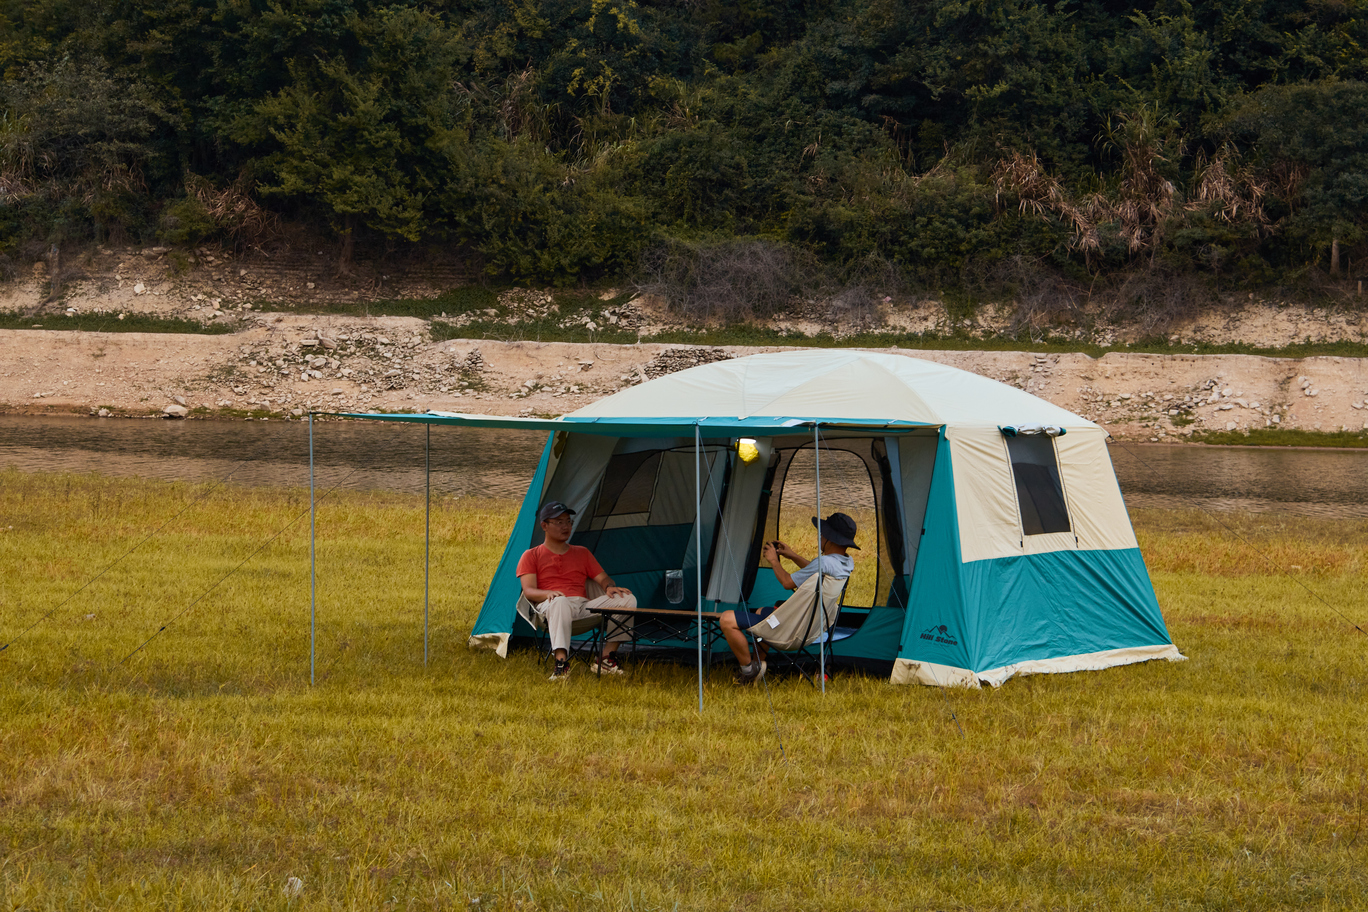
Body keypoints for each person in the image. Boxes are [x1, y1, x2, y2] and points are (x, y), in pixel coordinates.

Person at [718, 512, 859, 684]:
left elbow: (787, 582)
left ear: (830, 538)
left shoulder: (824, 562)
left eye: (822, 534)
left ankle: (748, 670)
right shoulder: (845, 563)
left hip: (790, 633)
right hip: (810, 630)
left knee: (726, 619)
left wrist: (774, 561)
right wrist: (792, 555)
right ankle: (757, 665)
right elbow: (817, 571)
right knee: (763, 611)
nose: (820, 537)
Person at [517, 500, 637, 680]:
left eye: (568, 522)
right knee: (560, 601)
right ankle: (561, 665)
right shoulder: (531, 555)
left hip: (583, 607)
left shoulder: (582, 553)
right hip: (549, 607)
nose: (566, 526)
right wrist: (548, 594)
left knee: (627, 598)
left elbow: (603, 578)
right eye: (559, 522)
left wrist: (609, 587)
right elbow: (529, 591)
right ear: (544, 525)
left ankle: (605, 659)